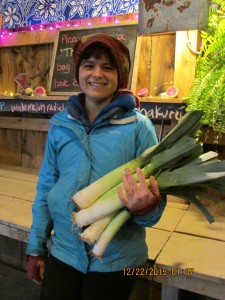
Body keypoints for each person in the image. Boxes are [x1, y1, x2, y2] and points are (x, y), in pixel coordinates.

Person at [26, 33, 166, 300]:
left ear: (120, 76)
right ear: (78, 72)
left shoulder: (138, 128)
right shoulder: (60, 126)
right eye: (89, 65)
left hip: (115, 258)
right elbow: (45, 188)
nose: (97, 74)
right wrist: (36, 248)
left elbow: (156, 210)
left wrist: (145, 207)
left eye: (108, 67)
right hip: (63, 250)